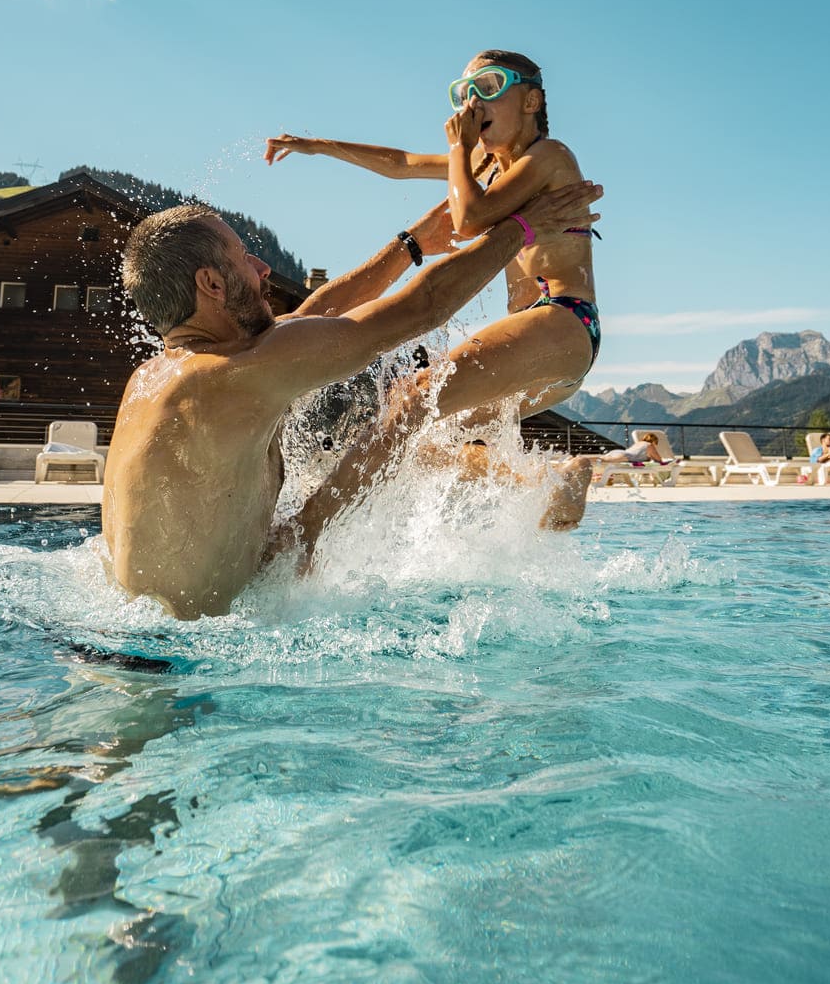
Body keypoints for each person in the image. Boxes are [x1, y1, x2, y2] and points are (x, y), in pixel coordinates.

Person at [103, 181, 603, 619]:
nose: (262, 267)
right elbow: (420, 309)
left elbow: (309, 318)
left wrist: (411, 245)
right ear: (212, 284)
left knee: (296, 539)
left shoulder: (168, 375)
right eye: (242, 258)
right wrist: (523, 227)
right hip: (168, 669)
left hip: (147, 630)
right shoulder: (230, 377)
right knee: (304, 535)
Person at [264, 50, 599, 552]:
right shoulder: (486, 165)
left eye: (487, 86)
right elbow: (399, 163)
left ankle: (305, 533)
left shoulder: (548, 157)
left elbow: (468, 219)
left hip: (560, 320)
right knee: (417, 440)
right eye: (463, 93)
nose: (471, 103)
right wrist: (316, 146)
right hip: (545, 348)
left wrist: (461, 154)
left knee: (410, 401)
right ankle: (551, 488)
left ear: (532, 100)